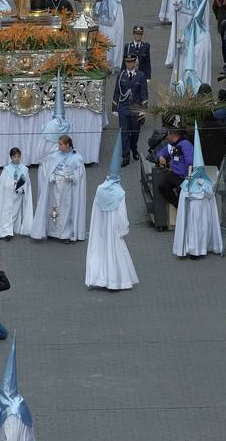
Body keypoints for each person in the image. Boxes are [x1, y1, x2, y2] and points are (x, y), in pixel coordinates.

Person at [85, 136, 138, 291]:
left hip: (101, 228)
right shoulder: (120, 192)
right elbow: (122, 214)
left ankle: (100, 278)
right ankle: (116, 281)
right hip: (114, 228)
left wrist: (97, 227)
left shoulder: (100, 189)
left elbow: (96, 210)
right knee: (116, 252)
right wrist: (123, 229)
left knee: (101, 252)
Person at [172, 126, 223, 258]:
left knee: (204, 229)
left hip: (204, 210)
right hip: (193, 211)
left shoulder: (206, 182)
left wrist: (204, 186)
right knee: (193, 230)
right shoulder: (188, 183)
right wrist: (188, 191)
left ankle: (203, 248)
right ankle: (194, 250)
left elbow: (210, 194)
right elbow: (184, 196)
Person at [30, 135, 88, 242]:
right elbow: (48, 167)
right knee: (54, 209)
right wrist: (50, 174)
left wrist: (71, 176)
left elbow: (79, 175)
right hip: (55, 188)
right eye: (59, 144)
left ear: (68, 145)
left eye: (61, 144)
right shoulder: (55, 155)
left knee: (66, 211)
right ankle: (53, 231)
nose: (59, 146)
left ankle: (65, 234)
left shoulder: (76, 158)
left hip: (67, 190)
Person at [0, 148, 34, 240]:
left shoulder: (24, 169)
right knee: (6, 212)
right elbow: (2, 183)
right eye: (15, 157)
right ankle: (7, 232)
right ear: (11, 157)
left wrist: (21, 188)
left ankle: (9, 230)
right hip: (8, 196)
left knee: (14, 213)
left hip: (18, 196)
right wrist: (11, 185)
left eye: (18, 156)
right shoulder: (7, 169)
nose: (17, 159)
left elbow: (27, 183)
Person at [113, 53, 148, 166]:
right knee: (124, 133)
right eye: (127, 62)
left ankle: (134, 147)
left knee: (135, 132)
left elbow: (144, 94)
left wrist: (143, 110)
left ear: (135, 62)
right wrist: (114, 107)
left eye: (131, 62)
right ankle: (126, 157)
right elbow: (117, 92)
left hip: (135, 109)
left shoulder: (141, 75)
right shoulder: (121, 75)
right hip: (123, 108)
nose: (129, 64)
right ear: (125, 63)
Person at [152, 126, 192, 208]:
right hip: (174, 174)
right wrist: (161, 157)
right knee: (162, 187)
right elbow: (160, 152)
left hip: (183, 177)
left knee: (182, 196)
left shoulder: (186, 144)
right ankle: (177, 204)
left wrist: (187, 178)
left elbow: (190, 162)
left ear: (172, 135)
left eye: (168, 135)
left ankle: (182, 208)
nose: (167, 137)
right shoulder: (171, 146)